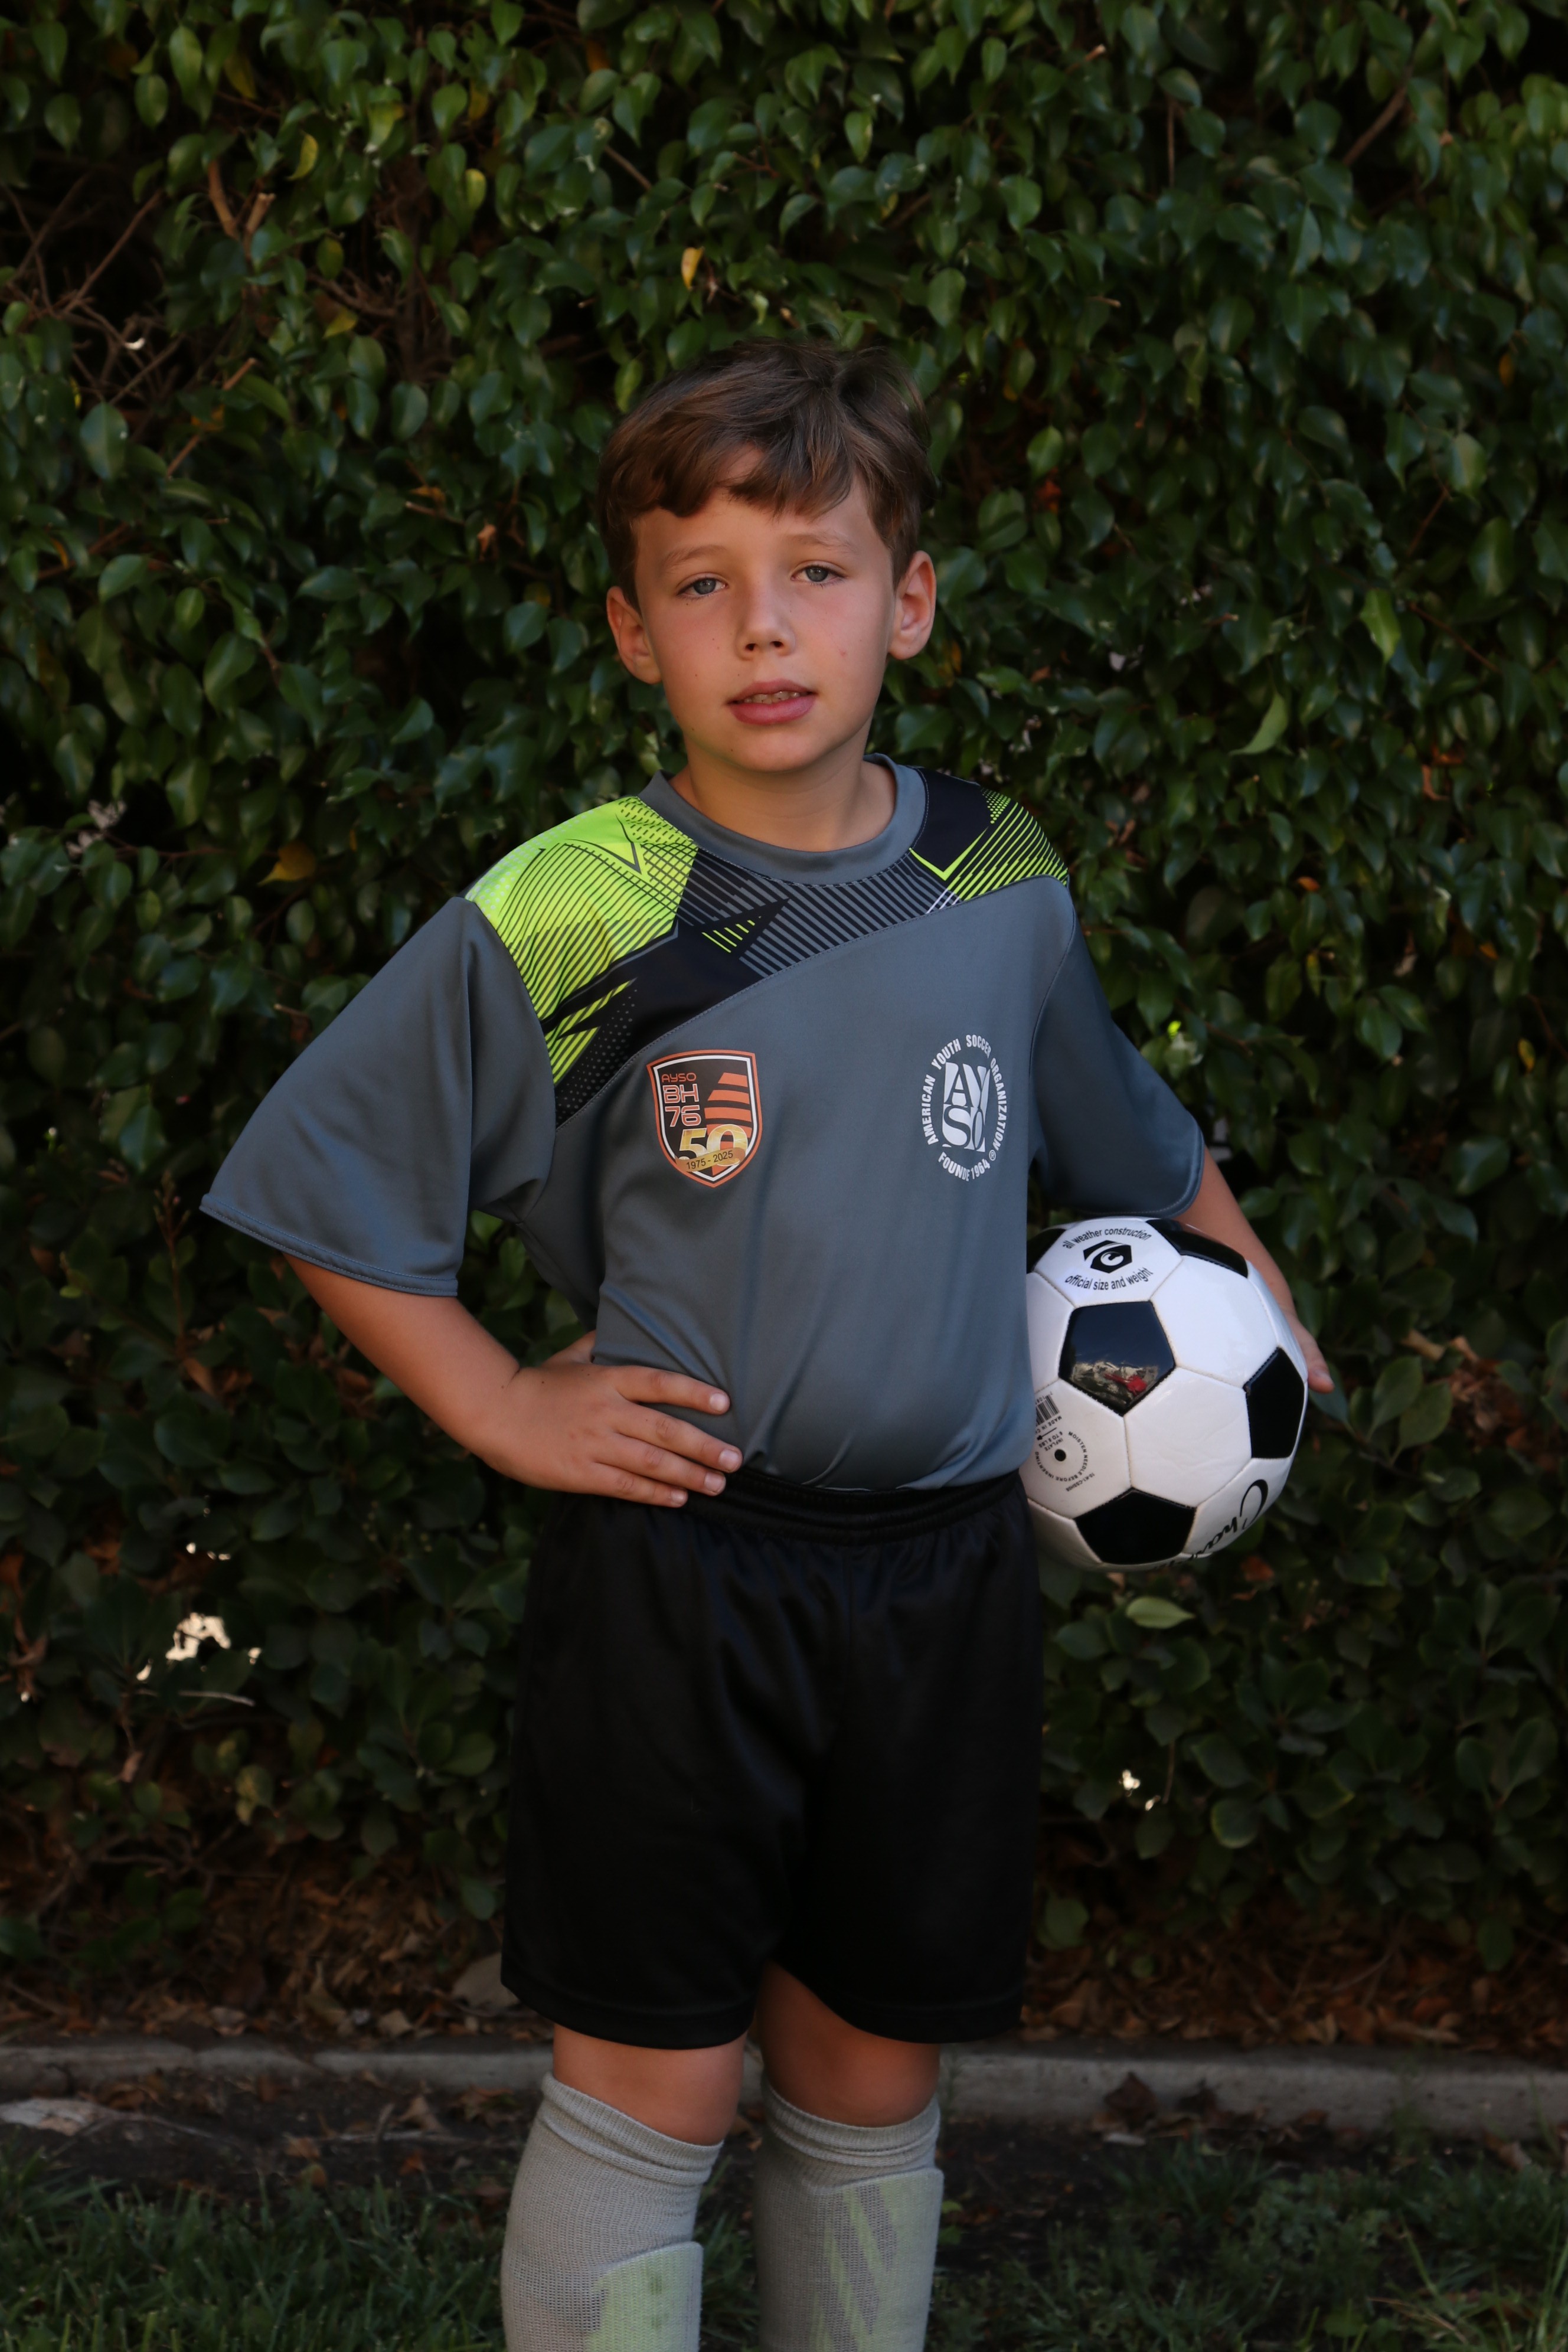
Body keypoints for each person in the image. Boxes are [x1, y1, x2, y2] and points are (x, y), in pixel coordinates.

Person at [202, 340, 1331, 2352]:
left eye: (816, 572)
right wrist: (497, 1397)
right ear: (633, 632)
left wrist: (1254, 1295)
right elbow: (322, 1173)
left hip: (946, 1575)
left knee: (869, 2080)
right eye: (704, 584)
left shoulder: (995, 872)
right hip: (686, 1572)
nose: (765, 628)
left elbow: (1124, 1132)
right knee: (660, 2081)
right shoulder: (577, 904)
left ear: (910, 602)